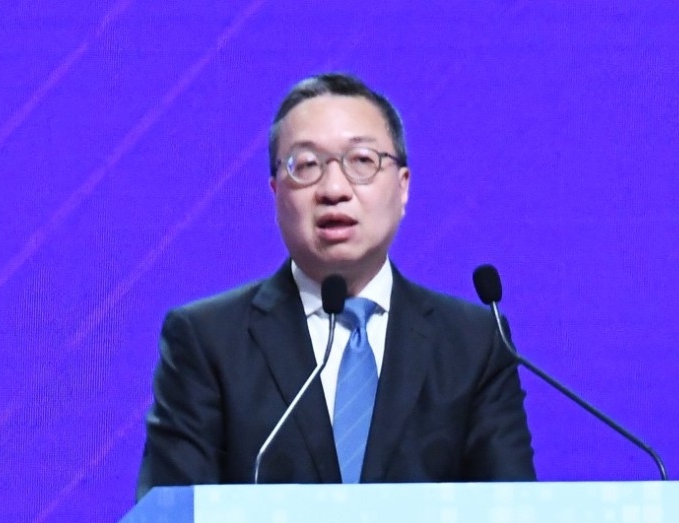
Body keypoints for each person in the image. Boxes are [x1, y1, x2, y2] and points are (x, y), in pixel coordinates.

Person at [136, 73, 535, 492]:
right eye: (306, 165)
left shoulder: (474, 343)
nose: (333, 189)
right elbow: (170, 520)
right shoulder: (207, 340)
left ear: (403, 187)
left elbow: (512, 512)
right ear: (275, 193)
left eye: (361, 161)